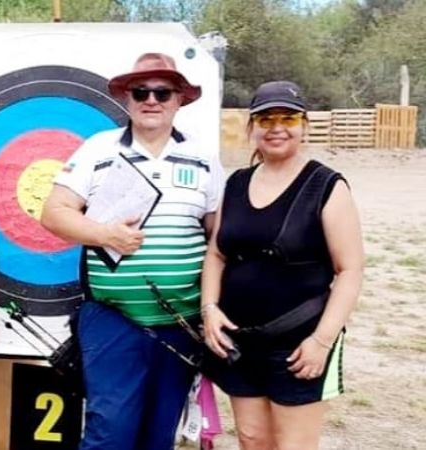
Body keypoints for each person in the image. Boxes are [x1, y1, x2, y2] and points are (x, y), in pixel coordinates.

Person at [41, 53, 225, 450]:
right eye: (141, 91)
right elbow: (53, 213)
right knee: (109, 432)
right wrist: (104, 233)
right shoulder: (98, 149)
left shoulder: (204, 156)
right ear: (127, 98)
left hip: (180, 322)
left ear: (180, 100)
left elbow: (219, 238)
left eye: (163, 92)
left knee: (158, 436)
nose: (152, 100)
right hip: (113, 319)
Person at [200, 81, 363, 450]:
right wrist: (209, 309)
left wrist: (320, 341)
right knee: (252, 439)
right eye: (265, 118)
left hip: (298, 344)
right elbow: (217, 253)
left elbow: (350, 270)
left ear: (304, 126)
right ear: (251, 127)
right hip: (238, 340)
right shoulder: (237, 183)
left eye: (287, 118)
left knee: (293, 445)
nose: (276, 127)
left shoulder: (326, 185)